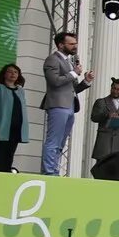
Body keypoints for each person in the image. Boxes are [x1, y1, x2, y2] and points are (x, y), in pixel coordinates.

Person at [39, 30, 91, 175]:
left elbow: (72, 89)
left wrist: (86, 81)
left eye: (76, 43)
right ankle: (49, 173)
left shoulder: (69, 61)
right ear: (61, 45)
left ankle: (54, 170)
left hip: (69, 105)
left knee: (61, 143)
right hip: (58, 104)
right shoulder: (53, 59)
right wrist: (74, 73)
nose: (75, 46)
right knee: (53, 141)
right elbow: (54, 81)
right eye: (71, 44)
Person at [0, 63, 29, 174]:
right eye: (10, 71)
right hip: (1, 129)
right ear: (4, 74)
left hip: (16, 130)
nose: (13, 74)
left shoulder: (20, 91)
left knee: (9, 157)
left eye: (15, 72)